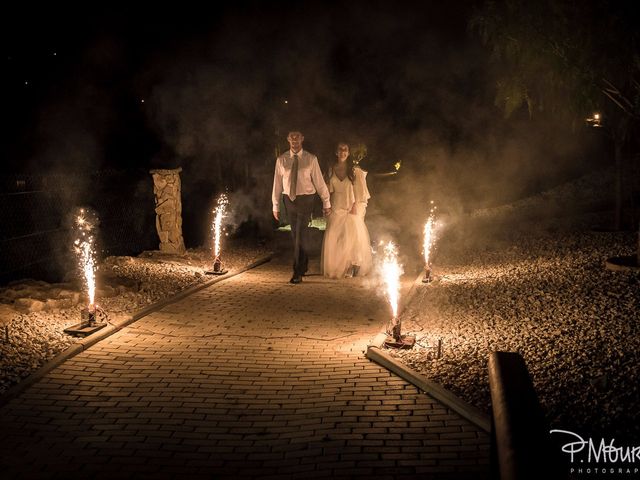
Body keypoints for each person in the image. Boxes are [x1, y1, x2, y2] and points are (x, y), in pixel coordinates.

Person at [272, 131, 332, 284]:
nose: (294, 140)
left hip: (306, 200)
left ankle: (297, 272)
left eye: (297, 137)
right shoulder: (282, 160)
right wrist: (275, 205)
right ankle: (304, 264)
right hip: (289, 200)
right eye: (291, 137)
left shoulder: (311, 159)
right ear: (288, 139)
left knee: (300, 234)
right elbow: (277, 184)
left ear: (302, 139)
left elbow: (319, 182)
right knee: (296, 236)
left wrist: (326, 202)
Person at [321, 142, 373, 279]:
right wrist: (326, 205)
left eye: (345, 150)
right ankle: (339, 266)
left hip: (351, 207)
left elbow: (360, 192)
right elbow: (328, 191)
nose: (343, 152)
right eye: (340, 149)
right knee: (336, 237)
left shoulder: (355, 171)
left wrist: (355, 205)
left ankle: (351, 266)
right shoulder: (331, 170)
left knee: (351, 238)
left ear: (348, 153)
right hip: (336, 207)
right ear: (336, 152)